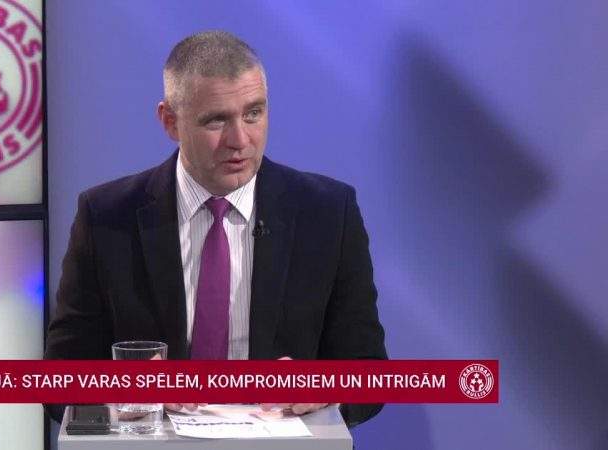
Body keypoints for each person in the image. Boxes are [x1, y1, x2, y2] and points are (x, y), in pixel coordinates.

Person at [45, 31, 387, 427]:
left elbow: (370, 373)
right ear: (170, 121)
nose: (239, 140)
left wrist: (324, 386)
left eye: (253, 114)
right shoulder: (107, 217)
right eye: (216, 120)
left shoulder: (327, 213)